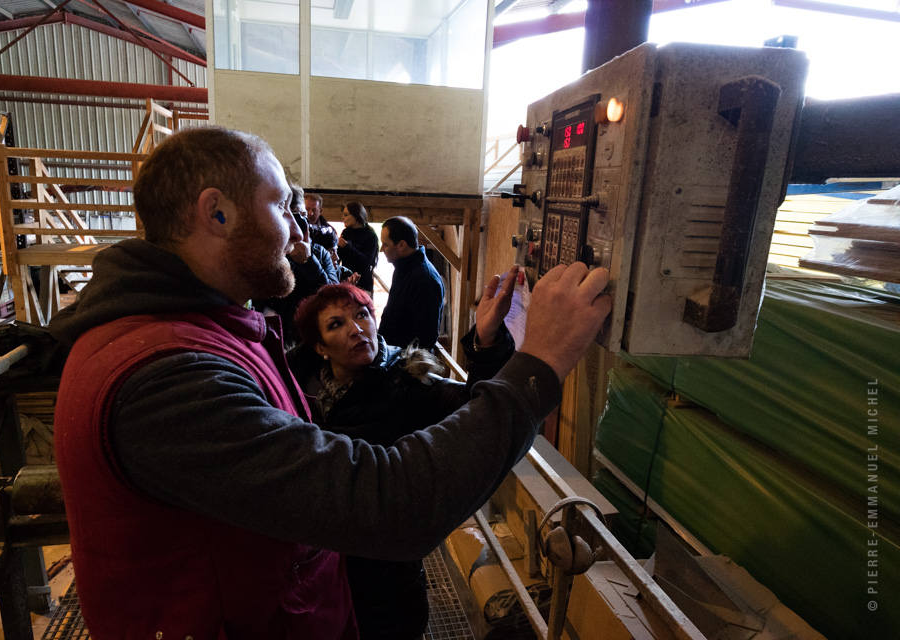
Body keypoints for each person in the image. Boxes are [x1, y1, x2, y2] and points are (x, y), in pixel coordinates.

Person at [49, 126, 612, 640]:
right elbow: (388, 503)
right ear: (216, 213)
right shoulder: (165, 377)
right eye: (282, 206)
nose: (298, 230)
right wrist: (541, 361)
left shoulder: (204, 335)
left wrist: (489, 350)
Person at [288, 270, 517, 639]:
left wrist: (487, 342)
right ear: (320, 348)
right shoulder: (302, 387)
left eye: (362, 315)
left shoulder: (409, 380)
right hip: (322, 564)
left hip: (384, 575)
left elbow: (476, 408)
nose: (356, 329)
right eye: (336, 324)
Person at [259, 184, 339, 345]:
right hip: (271, 338)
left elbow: (334, 299)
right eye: (290, 216)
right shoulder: (264, 252)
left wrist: (308, 262)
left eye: (302, 216)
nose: (297, 224)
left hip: (308, 340)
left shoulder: (319, 254)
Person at [378, 216, 445, 349]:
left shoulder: (425, 279)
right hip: (392, 353)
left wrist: (399, 359)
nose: (381, 249)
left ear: (402, 245)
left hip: (406, 360)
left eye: (385, 244)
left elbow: (424, 338)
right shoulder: (402, 267)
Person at [336, 201, 378, 296]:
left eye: (346, 215)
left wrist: (347, 247)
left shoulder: (370, 236)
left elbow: (366, 261)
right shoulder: (346, 232)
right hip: (347, 281)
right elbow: (340, 257)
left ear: (356, 215)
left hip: (363, 283)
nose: (342, 218)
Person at [303, 191, 339, 258]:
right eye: (307, 209)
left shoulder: (330, 232)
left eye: (314, 210)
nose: (310, 213)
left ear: (320, 211)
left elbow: (335, 254)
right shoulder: (296, 228)